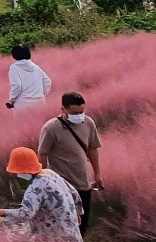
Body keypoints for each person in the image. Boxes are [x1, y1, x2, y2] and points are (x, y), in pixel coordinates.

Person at [0, 147, 84, 242]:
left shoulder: (36, 187)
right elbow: (74, 193)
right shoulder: (51, 173)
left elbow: (25, 214)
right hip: (72, 234)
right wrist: (78, 212)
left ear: (23, 171)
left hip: (54, 237)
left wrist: (1, 212)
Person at [38, 92, 102, 235]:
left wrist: (97, 173)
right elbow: (42, 154)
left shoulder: (88, 123)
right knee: (64, 227)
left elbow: (92, 149)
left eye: (81, 112)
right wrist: (42, 180)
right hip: (62, 187)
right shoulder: (51, 128)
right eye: (74, 113)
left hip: (84, 185)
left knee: (82, 227)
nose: (79, 116)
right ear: (63, 109)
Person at [8, 44, 53, 112]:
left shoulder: (14, 68)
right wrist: (41, 94)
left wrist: (12, 99)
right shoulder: (35, 67)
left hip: (22, 103)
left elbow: (17, 85)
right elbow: (47, 81)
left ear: (14, 55)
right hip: (40, 102)